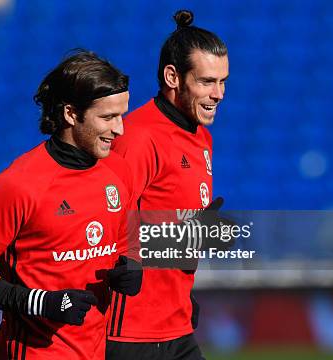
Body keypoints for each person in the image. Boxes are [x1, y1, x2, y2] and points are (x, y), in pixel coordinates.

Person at [0, 50, 142, 359]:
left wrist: (134, 266)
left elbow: (126, 241)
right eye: (108, 117)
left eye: (122, 115)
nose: (120, 129)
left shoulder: (118, 170)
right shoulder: (16, 185)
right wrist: (40, 303)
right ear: (71, 114)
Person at [106, 10, 231, 360]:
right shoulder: (138, 137)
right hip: (129, 332)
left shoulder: (202, 137)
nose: (218, 93)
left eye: (223, 82)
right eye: (207, 81)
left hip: (176, 325)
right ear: (173, 77)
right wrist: (192, 236)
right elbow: (105, 226)